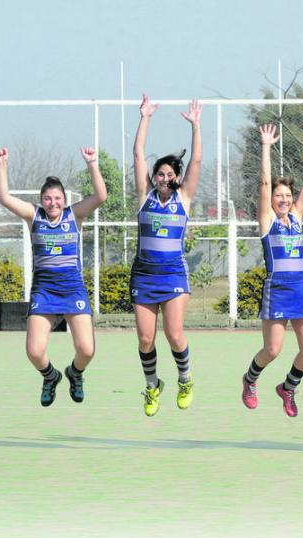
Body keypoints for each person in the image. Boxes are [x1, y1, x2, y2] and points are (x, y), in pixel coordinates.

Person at [0, 146, 108, 406]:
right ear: (41, 199)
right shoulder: (33, 216)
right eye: (47, 198)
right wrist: (2, 165)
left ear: (64, 200)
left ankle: (74, 374)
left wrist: (92, 163)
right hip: (44, 292)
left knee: (87, 350)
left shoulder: (74, 215)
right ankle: (50, 377)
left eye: (57, 198)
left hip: (72, 289)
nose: (52, 203)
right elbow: (4, 197)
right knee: (34, 351)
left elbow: (100, 196)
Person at [240, 122, 303, 417]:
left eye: (287, 195)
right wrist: (265, 148)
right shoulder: (267, 220)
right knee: (272, 350)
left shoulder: (297, 217)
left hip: (302, 287)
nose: (284, 199)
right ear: (271, 200)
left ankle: (288, 388)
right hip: (278, 287)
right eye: (279, 195)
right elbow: (263, 184)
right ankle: (250, 379)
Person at [132, 95, 202, 417]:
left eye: (169, 175)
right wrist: (145, 117)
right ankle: (152, 386)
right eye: (159, 173)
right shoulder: (144, 196)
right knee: (146, 339)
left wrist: (196, 127)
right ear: (154, 177)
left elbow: (197, 163)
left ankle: (185, 380)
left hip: (173, 274)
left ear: (176, 177)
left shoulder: (183, 198)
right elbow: (136, 154)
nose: (163, 178)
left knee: (174, 335)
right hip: (144, 275)